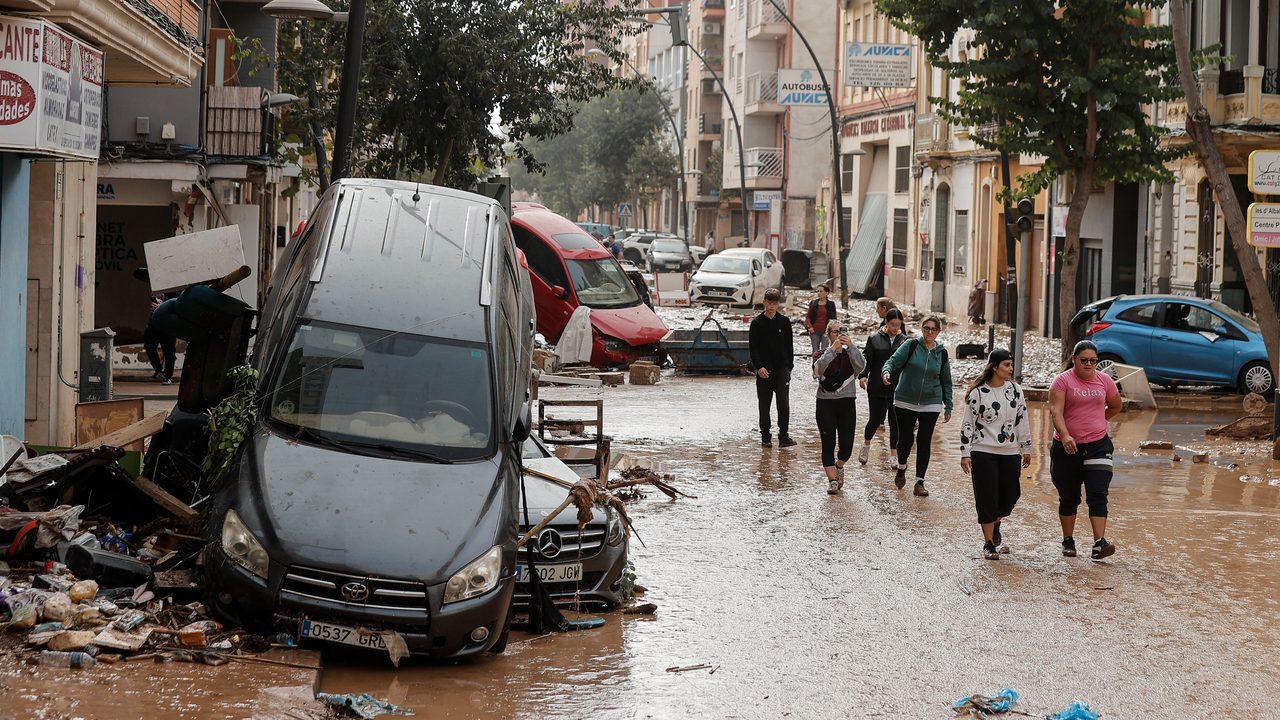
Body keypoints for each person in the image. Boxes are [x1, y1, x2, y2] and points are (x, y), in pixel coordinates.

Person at [1049, 340, 1122, 560]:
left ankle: (1099, 542)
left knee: (1098, 493)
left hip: (1098, 445)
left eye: (1093, 361)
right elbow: (1055, 412)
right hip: (1067, 447)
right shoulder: (1062, 381)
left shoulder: (1105, 380)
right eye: (1084, 361)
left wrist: (1100, 420)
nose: (1089, 364)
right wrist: (1066, 435)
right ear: (1074, 359)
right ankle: (1068, 539)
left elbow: (1117, 405)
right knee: (1069, 496)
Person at [960, 349, 1031, 560]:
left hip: (1010, 452)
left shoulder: (1016, 391)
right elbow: (967, 425)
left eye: (1011, 365)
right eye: (1007, 365)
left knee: (1012, 495)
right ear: (994, 367)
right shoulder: (978, 393)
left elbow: (1022, 420)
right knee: (986, 496)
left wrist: (1026, 447)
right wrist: (965, 453)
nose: (1010, 369)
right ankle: (989, 543)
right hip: (982, 451)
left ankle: (996, 520)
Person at [880, 315, 953, 497]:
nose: (929, 332)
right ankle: (902, 467)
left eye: (933, 329)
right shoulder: (911, 345)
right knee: (905, 439)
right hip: (905, 399)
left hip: (931, 402)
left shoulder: (941, 353)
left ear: (938, 332)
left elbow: (947, 381)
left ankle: (919, 481)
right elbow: (892, 361)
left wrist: (948, 406)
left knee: (924, 440)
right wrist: (886, 372)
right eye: (926, 328)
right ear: (921, 328)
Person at [814, 321, 866, 494]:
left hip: (847, 402)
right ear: (828, 334)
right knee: (828, 444)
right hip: (825, 403)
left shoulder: (851, 354)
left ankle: (839, 465)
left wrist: (850, 346)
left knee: (847, 447)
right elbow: (818, 370)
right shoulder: (820, 353)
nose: (839, 334)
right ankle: (832, 481)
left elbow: (862, 366)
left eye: (842, 331)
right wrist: (832, 350)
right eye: (836, 332)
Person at [858, 307, 907, 465]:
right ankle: (866, 444)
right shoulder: (874, 339)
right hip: (877, 387)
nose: (895, 328)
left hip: (897, 388)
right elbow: (867, 359)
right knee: (875, 419)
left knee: (895, 422)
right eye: (892, 324)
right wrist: (863, 375)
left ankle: (894, 454)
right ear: (886, 322)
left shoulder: (905, 341)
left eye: (898, 325)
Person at [749, 287, 795, 448]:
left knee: (783, 403)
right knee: (764, 405)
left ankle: (784, 436)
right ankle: (766, 437)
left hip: (782, 369)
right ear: (764, 303)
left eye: (775, 303)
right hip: (764, 371)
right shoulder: (756, 324)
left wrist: (789, 367)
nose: (772, 306)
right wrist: (759, 367)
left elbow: (789, 345)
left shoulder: (784, 322)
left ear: (778, 304)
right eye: (769, 303)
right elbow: (753, 348)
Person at [143, 293, 177, 384]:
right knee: (149, 346)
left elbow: (177, 305)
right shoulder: (149, 291)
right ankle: (159, 370)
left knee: (169, 350)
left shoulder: (174, 291)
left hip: (168, 324)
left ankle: (168, 376)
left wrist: (161, 307)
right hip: (153, 324)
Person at [804, 284, 837, 358]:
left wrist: (832, 331)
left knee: (824, 351)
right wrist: (810, 327)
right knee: (815, 351)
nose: (819, 293)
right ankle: (815, 367)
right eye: (817, 291)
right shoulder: (813, 303)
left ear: (827, 293)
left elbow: (834, 319)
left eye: (821, 291)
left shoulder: (831, 304)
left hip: (826, 331)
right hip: (814, 331)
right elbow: (808, 317)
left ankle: (823, 368)